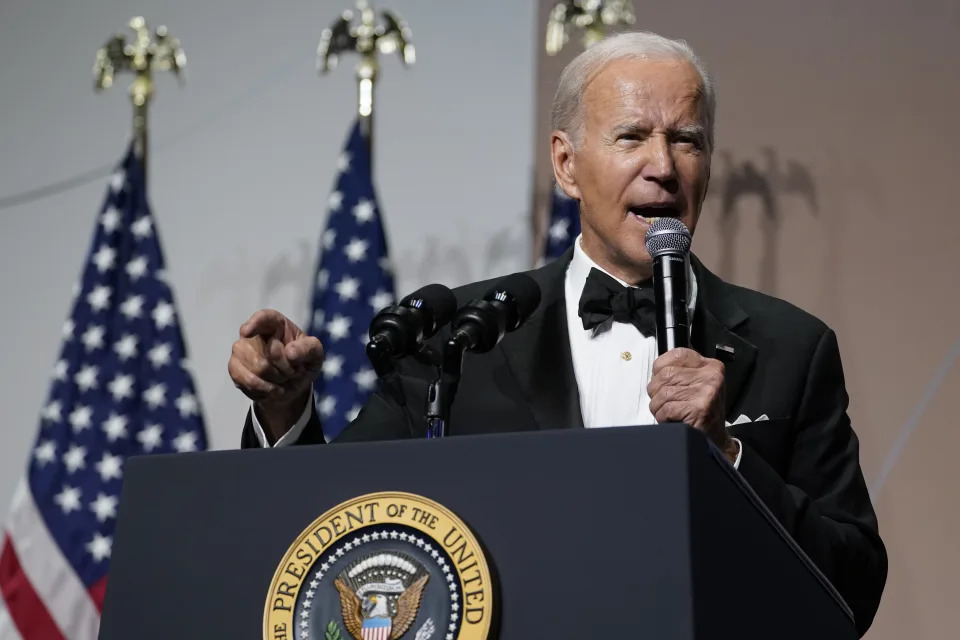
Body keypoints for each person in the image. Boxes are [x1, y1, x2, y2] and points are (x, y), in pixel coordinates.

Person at [228, 31, 886, 634]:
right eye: (632, 137)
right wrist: (284, 410)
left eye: (687, 139)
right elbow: (332, 529)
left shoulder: (790, 347)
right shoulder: (459, 338)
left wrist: (729, 459)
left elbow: (850, 588)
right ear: (567, 164)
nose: (664, 164)